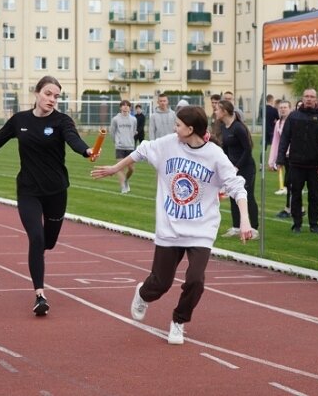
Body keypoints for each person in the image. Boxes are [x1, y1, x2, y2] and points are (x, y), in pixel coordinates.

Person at [91, 105, 254, 345]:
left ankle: (178, 321)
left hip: (201, 229)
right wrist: (116, 169)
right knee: (160, 283)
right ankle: (142, 294)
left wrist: (245, 221)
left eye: (178, 125)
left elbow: (237, 187)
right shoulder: (169, 144)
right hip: (170, 227)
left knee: (196, 280)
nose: (174, 128)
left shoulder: (215, 155)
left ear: (191, 129)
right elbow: (143, 150)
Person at [0, 76, 97, 316]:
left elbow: (73, 139)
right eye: (48, 94)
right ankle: (40, 295)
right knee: (36, 238)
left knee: (49, 242)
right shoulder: (19, 120)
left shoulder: (62, 121)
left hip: (56, 191)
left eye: (56, 96)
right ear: (37, 93)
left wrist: (86, 151)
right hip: (28, 191)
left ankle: (42, 254)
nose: (52, 99)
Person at [276, 88, 318, 233]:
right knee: (296, 194)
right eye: (306, 96)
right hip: (296, 163)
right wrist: (280, 158)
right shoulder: (293, 116)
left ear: (316, 99)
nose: (309, 99)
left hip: (314, 165)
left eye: (312, 97)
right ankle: (296, 223)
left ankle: (314, 223)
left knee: (314, 195)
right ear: (303, 98)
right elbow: (285, 139)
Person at [215, 99, 259, 239]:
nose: (215, 111)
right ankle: (236, 227)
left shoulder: (238, 128)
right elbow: (226, 149)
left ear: (225, 112)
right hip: (232, 168)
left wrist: (237, 166)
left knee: (248, 196)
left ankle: (254, 228)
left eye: (217, 109)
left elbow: (247, 149)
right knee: (233, 196)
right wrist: (226, 166)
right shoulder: (223, 127)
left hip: (246, 168)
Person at [109, 100, 137, 193]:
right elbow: (112, 132)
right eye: (123, 105)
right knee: (120, 168)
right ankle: (123, 187)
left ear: (129, 108)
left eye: (127, 105)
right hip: (120, 147)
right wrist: (117, 142)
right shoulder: (115, 119)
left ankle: (125, 180)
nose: (125, 107)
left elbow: (134, 131)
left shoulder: (133, 119)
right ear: (120, 107)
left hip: (130, 147)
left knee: (131, 169)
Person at [268, 100, 291, 198]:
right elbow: (275, 141)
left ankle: (289, 188)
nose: (283, 109)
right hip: (283, 151)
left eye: (285, 107)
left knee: (291, 172)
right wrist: (272, 160)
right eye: (281, 108)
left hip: (293, 152)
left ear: (290, 109)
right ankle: (284, 187)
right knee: (284, 169)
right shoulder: (278, 123)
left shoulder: (293, 120)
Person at [264, 94, 279, 168]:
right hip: (272, 130)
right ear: (271, 100)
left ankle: (261, 165)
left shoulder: (263, 109)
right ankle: (274, 164)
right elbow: (278, 120)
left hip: (264, 131)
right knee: (274, 148)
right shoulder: (274, 110)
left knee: (263, 148)